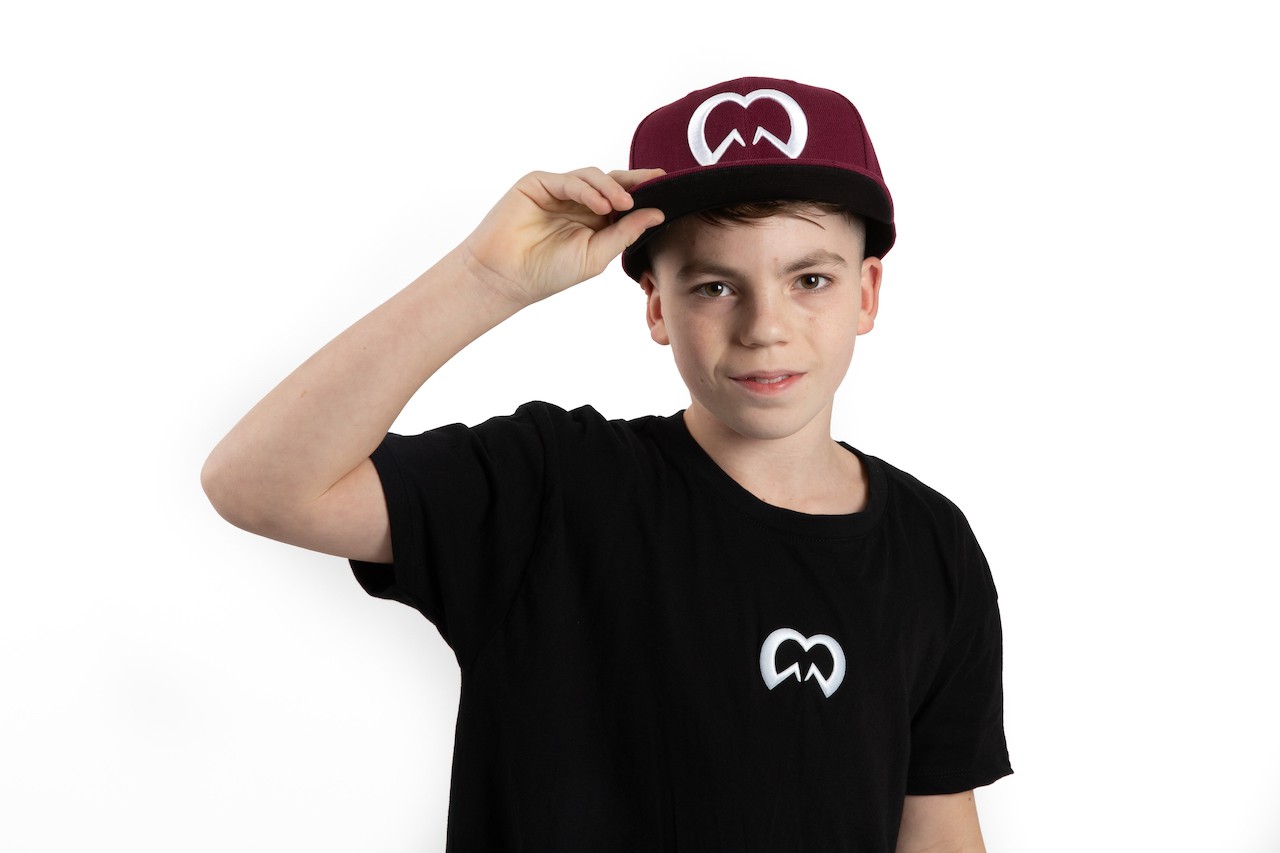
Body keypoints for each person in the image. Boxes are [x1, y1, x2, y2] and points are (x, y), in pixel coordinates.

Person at [202, 76, 1012, 852]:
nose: (767, 326)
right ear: (657, 305)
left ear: (866, 293)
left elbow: (938, 833)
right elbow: (258, 483)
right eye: (714, 286)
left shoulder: (932, 546)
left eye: (810, 279)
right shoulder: (551, 487)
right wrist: (484, 279)